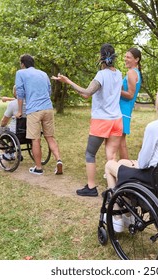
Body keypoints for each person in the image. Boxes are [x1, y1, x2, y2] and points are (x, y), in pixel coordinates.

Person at [104, 80, 158, 232]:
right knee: (124, 161)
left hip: (153, 180)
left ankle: (119, 216)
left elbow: (144, 162)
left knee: (110, 165)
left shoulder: (155, 127)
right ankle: (127, 215)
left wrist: (135, 163)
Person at [51, 43, 123, 197]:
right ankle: (115, 189)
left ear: (101, 57)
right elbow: (89, 94)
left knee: (90, 154)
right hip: (117, 120)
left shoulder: (101, 75)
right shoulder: (119, 73)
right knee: (111, 156)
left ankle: (91, 188)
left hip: (101, 121)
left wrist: (67, 81)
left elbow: (87, 93)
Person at [15, 54, 63, 176]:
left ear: (23, 64)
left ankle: (38, 167)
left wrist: (20, 111)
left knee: (35, 139)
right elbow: (49, 90)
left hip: (34, 110)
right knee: (50, 137)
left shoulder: (21, 73)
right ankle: (58, 160)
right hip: (48, 108)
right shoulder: (43, 74)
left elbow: (20, 93)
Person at [119, 47, 142, 159]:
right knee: (119, 142)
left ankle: (124, 168)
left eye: (128, 57)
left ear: (136, 59)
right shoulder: (134, 72)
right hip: (124, 110)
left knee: (120, 143)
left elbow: (130, 95)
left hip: (123, 110)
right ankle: (120, 167)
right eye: (125, 57)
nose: (125, 59)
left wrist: (115, 91)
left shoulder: (132, 73)